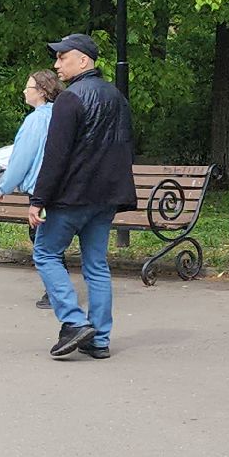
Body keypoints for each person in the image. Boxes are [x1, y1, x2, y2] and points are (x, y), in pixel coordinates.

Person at [28, 34, 135, 360]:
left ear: (84, 60)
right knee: (97, 266)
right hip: (105, 199)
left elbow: (56, 155)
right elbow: (124, 146)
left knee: (45, 253)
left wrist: (38, 199)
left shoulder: (70, 99)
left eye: (63, 57)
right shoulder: (117, 97)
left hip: (71, 197)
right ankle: (99, 339)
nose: (56, 64)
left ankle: (74, 322)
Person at [0, 69, 65, 310]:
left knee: (42, 240)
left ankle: (56, 293)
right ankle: (57, 291)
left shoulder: (35, 120)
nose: (24, 91)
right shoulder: (63, 115)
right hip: (63, 187)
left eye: (29, 87)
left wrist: (3, 187)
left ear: (42, 92)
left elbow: (22, 158)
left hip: (41, 190)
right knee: (52, 238)